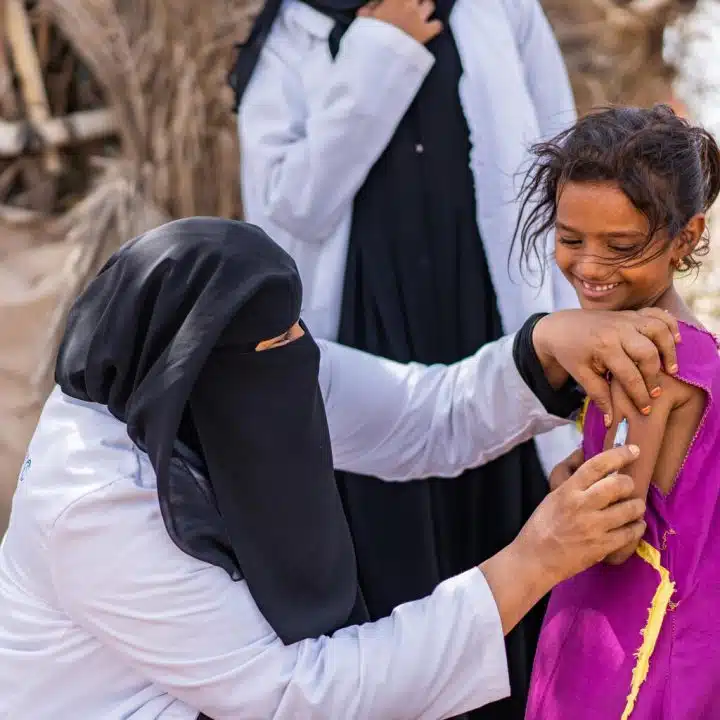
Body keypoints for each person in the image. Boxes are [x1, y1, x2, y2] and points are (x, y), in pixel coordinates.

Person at [0, 217, 679, 719]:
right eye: (278, 339)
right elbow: (293, 696)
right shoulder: (96, 506)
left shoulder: (224, 375)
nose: (301, 353)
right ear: (194, 368)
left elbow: (421, 415)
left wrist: (547, 344)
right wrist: (531, 563)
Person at [231, 2, 578, 712]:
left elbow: (564, 166)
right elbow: (285, 214)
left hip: (497, 325)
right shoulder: (292, 33)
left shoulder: (500, 9)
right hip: (367, 342)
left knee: (519, 554)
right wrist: (379, 51)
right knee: (393, 579)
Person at [514, 106, 720, 719]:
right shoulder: (695, 344)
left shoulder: (644, 354)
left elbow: (610, 538)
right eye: (571, 239)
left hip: (628, 648)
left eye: (622, 246)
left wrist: (563, 483)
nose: (591, 267)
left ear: (686, 237)